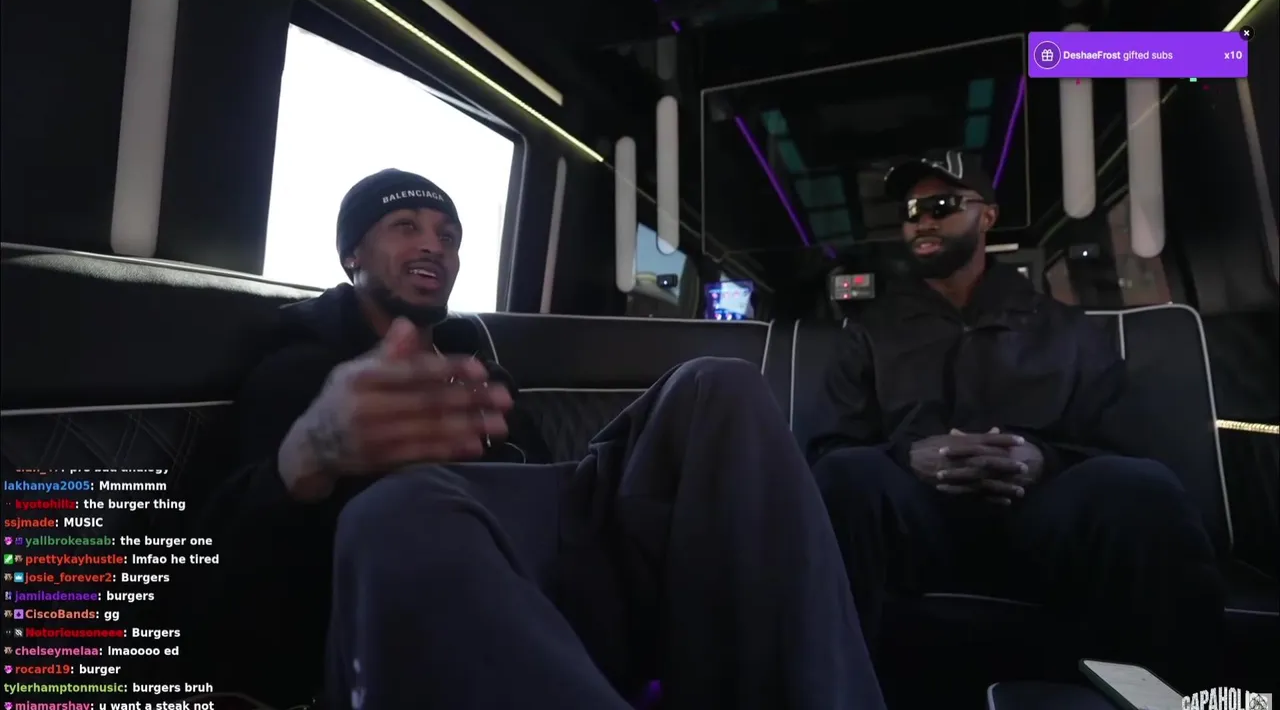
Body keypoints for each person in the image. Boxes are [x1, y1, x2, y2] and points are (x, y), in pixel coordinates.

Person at [189, 169, 884, 710]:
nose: (433, 244)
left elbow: (559, 501)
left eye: (448, 234)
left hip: (558, 586)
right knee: (406, 501)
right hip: (416, 613)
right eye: (405, 226)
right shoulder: (299, 372)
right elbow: (211, 572)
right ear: (351, 254)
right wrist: (307, 458)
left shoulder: (479, 371)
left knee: (719, 384)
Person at [807, 150, 1224, 689]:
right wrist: (908, 457)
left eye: (941, 206)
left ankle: (1167, 697)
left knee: (1141, 487)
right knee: (844, 478)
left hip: (1040, 516)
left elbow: (1123, 438)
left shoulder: (1064, 329)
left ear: (987, 216)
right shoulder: (872, 332)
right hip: (917, 520)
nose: (922, 220)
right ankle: (828, 691)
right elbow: (828, 447)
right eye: (912, 211)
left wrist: (1043, 460)